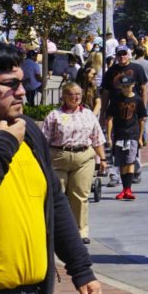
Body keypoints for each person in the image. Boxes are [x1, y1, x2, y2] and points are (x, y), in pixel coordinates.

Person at [0, 40, 104, 294]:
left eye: (22, 82)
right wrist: (4, 147)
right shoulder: (11, 139)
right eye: (10, 84)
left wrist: (81, 270)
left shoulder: (29, 135)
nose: (21, 91)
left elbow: (54, 204)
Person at [42, 82, 108, 243]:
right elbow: (43, 139)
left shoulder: (88, 114)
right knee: (57, 195)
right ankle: (55, 231)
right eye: (72, 94)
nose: (76, 97)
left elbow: (97, 138)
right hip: (59, 158)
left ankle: (81, 232)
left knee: (80, 195)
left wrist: (103, 159)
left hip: (83, 157)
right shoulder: (54, 115)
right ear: (64, 96)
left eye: (79, 94)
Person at [102, 77, 146, 200]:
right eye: (123, 86)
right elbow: (109, 118)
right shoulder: (116, 99)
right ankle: (124, 189)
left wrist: (140, 137)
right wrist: (109, 136)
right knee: (121, 162)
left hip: (132, 134)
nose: (126, 89)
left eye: (128, 86)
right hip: (119, 134)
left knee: (130, 160)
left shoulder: (138, 99)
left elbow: (141, 119)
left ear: (133, 85)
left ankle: (128, 189)